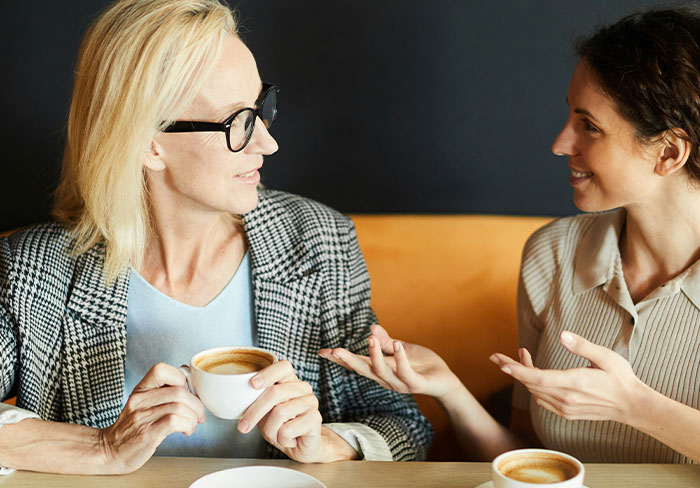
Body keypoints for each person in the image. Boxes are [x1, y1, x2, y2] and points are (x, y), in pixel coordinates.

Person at [0, 0, 432, 475]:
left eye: (260, 108)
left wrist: (326, 442)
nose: (267, 142)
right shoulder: (34, 271)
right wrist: (103, 447)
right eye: (237, 122)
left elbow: (404, 427)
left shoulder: (318, 242)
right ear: (148, 143)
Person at [321, 5, 700, 464]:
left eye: (590, 127)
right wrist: (449, 388)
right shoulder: (552, 254)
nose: (560, 144)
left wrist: (635, 406)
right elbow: (531, 459)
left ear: (669, 153)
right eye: (570, 117)